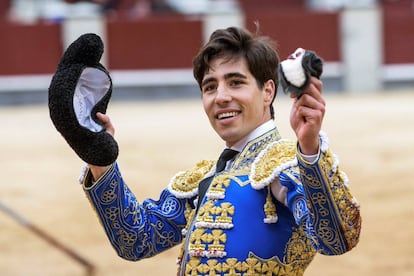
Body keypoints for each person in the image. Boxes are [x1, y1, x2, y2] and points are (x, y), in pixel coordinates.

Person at [79, 26, 361, 275]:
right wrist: (100, 160)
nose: (222, 97)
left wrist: (309, 149)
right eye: (210, 87)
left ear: (268, 91)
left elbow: (335, 240)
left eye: (236, 82)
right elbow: (136, 240)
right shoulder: (206, 176)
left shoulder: (285, 164)